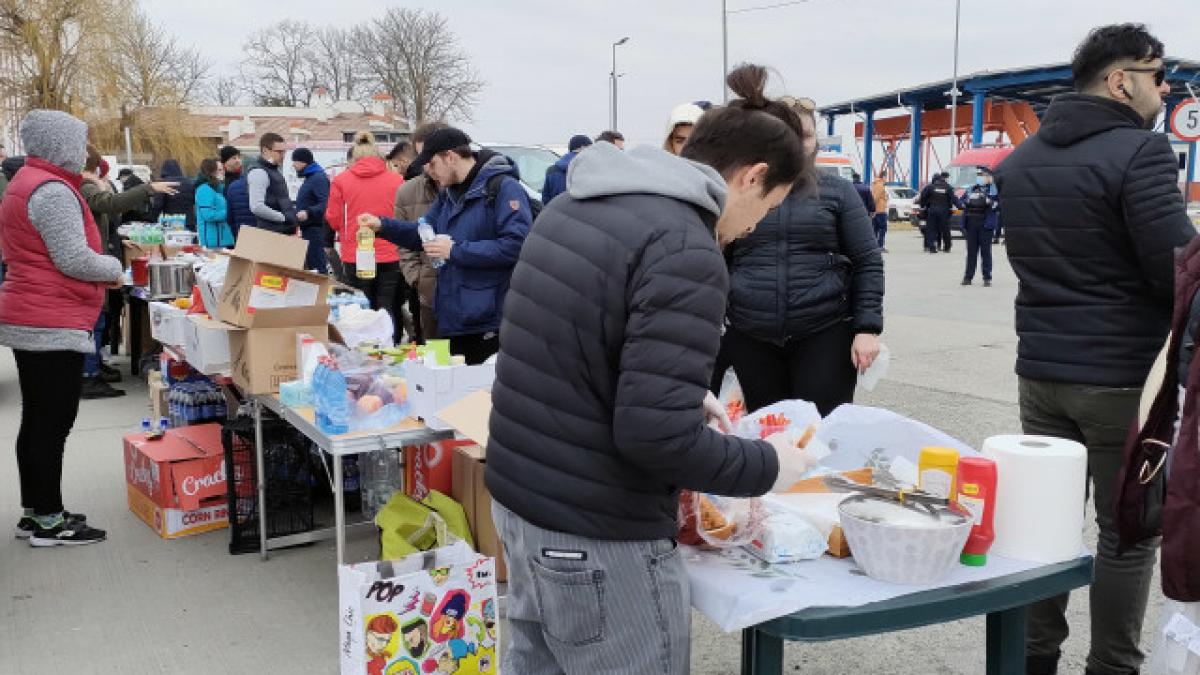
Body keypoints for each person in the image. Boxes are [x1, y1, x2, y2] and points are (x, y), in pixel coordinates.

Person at [481, 64, 817, 674]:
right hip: (598, 531)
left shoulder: (575, 205)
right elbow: (653, 438)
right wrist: (769, 466)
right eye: (769, 208)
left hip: (520, 502)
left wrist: (683, 394)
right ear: (753, 177)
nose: (757, 225)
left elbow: (575, 353)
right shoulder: (684, 246)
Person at [995, 23, 1195, 675]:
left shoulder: (1021, 161)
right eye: (1159, 75)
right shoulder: (1140, 153)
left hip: (1041, 373)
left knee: (1046, 525)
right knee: (1129, 532)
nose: (1167, 89)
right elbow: (1174, 267)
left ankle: (1033, 658)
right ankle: (1112, 665)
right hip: (1119, 378)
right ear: (1120, 80)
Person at [1, 110, 119, 546]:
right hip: (48, 319)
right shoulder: (51, 190)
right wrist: (113, 267)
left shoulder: (29, 181)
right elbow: (74, 258)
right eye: (79, 140)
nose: (83, 149)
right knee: (52, 423)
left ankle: (37, 511)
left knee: (37, 421)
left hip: (33, 313)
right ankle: (50, 521)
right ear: (61, 144)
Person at [725, 100, 883, 417]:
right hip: (751, 333)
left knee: (824, 431)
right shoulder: (740, 190)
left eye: (806, 134)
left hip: (823, 331)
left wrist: (867, 328)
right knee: (767, 432)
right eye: (786, 133)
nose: (797, 142)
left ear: (815, 140)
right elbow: (718, 256)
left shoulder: (838, 192)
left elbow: (867, 260)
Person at [358, 127, 531, 364]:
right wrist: (383, 226)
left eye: (432, 165)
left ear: (450, 157)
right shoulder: (448, 194)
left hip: (490, 319)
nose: (429, 172)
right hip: (453, 316)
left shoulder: (503, 188)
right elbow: (423, 234)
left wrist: (456, 250)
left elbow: (517, 245)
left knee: (482, 393)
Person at [79, 146, 177, 398]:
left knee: (101, 319)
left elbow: (101, 218)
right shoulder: (86, 185)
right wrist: (148, 188)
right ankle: (88, 376)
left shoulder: (88, 184)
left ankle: (94, 368)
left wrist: (119, 242)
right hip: (92, 263)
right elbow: (108, 205)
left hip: (99, 257)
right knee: (96, 321)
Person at [325, 131, 407, 341]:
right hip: (390, 252)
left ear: (354, 157)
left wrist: (346, 232)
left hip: (356, 253)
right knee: (387, 304)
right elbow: (402, 218)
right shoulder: (396, 179)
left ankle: (364, 351)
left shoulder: (341, 180)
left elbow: (333, 218)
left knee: (361, 307)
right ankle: (390, 347)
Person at [395, 122, 447, 342]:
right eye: (421, 157)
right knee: (435, 360)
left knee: (468, 367)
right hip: (427, 295)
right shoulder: (407, 191)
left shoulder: (471, 190)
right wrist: (417, 278)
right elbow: (404, 243)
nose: (426, 165)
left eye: (430, 156)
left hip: (470, 300)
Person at [246, 132, 299, 235]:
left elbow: (280, 200)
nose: (283, 156)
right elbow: (256, 206)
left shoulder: (273, 170)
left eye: (284, 152)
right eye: (279, 152)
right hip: (272, 233)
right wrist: (283, 217)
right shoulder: (259, 172)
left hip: (282, 231)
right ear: (265, 150)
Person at [956, 168, 998, 287]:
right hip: (971, 223)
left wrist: (990, 201)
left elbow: (999, 205)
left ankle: (987, 277)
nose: (980, 177)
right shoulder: (971, 189)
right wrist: (965, 202)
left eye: (983, 175)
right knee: (971, 252)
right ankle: (968, 277)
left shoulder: (993, 190)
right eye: (979, 175)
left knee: (985, 252)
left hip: (985, 224)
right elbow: (960, 203)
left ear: (989, 177)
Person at [291, 147, 330, 273]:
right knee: (313, 268)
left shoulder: (318, 178)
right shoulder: (311, 177)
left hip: (315, 230)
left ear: (303, 162)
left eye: (294, 161)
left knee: (318, 269)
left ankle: (322, 292)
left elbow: (325, 203)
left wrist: (308, 212)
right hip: (309, 230)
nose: (293, 165)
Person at [541, 134, 592, 205]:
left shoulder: (552, 170)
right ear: (583, 147)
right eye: (590, 148)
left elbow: (545, 200)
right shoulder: (590, 168)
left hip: (556, 213)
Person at [194, 158, 233, 249]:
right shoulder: (204, 189)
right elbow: (208, 215)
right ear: (210, 172)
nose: (223, 172)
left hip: (221, 239)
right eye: (219, 170)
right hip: (212, 241)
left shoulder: (218, 189)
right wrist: (229, 212)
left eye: (223, 169)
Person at [916, 171, 954, 253]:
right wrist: (952, 207)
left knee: (931, 229)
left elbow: (923, 197)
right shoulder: (948, 187)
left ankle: (932, 247)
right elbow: (952, 199)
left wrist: (923, 205)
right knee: (945, 229)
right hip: (944, 211)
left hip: (932, 210)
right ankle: (947, 247)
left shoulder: (930, 187)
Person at [154, 158, 195, 231]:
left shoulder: (162, 184)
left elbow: (158, 205)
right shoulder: (189, 183)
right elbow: (194, 200)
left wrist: (152, 219)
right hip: (189, 221)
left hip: (170, 221)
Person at [870, 173, 889, 252]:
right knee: (883, 228)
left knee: (876, 228)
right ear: (883, 177)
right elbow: (875, 198)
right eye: (886, 177)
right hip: (880, 210)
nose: (886, 179)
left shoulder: (874, 184)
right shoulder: (880, 185)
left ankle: (874, 246)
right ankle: (880, 245)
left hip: (876, 210)